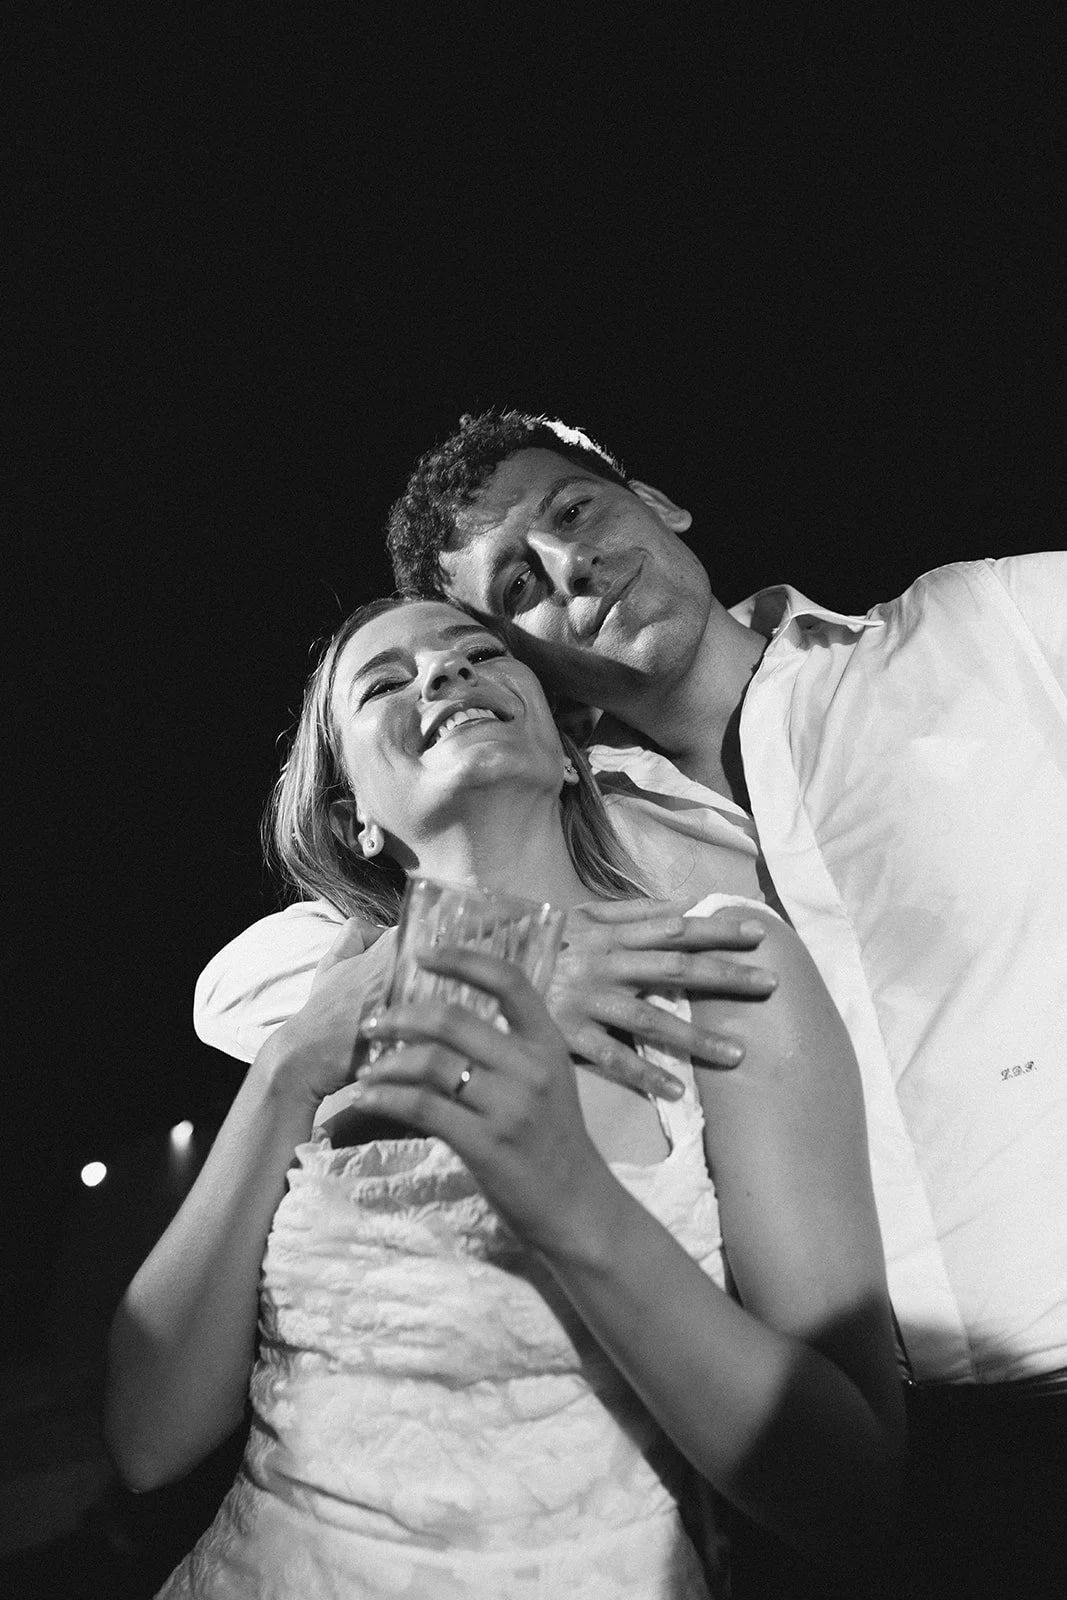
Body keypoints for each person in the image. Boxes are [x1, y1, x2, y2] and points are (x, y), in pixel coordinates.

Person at [195, 411, 1067, 1597]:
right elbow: (239, 983)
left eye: (573, 513)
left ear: (657, 501)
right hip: (846, 1459)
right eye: (517, 582)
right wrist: (509, 958)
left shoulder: (982, 625)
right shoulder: (572, 823)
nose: (569, 567)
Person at [107, 597, 904, 1599]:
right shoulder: (326, 998)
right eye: (383, 682)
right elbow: (146, 1437)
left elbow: (850, 1493)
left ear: (570, 752)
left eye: (476, 652)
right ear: (354, 809)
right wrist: (285, 1072)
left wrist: (570, 1202)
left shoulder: (717, 966)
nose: (439, 676)